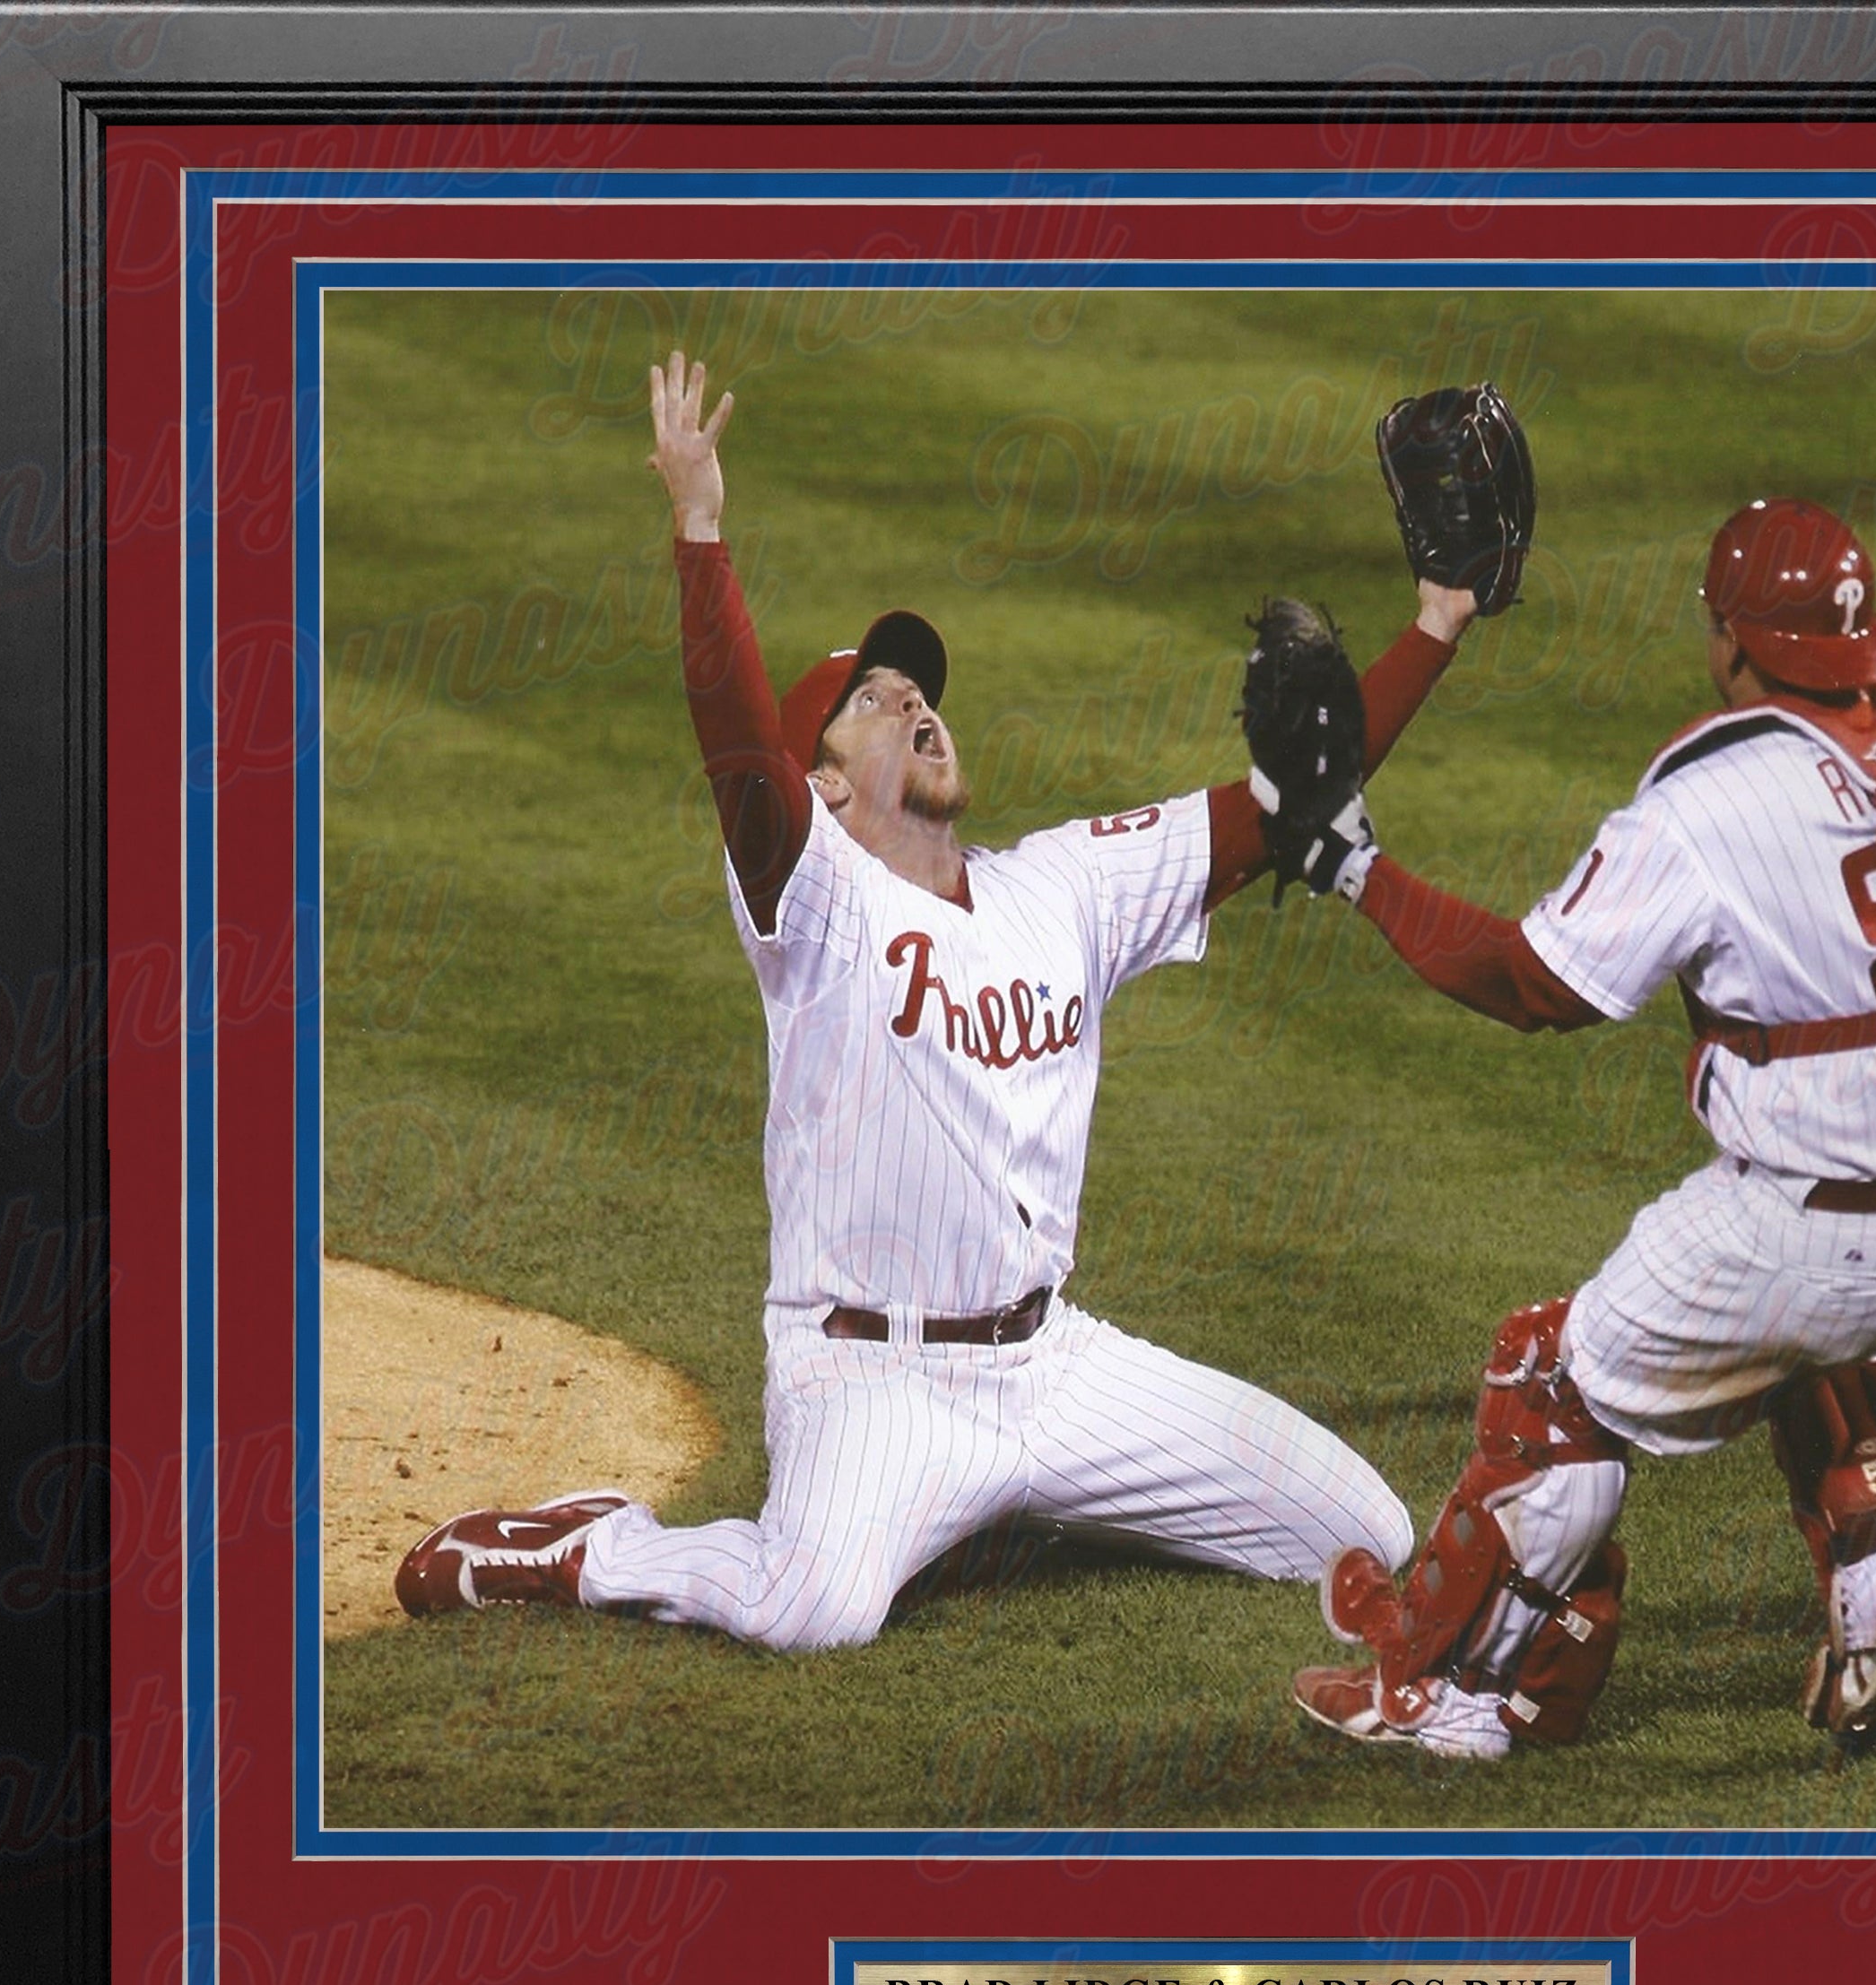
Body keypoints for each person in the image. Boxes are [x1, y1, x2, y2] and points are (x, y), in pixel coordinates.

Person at [393, 350, 1480, 1651]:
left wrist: (1436, 621)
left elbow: (1283, 802)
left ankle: (1011, 1497)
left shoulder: (1067, 884)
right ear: (826, 786)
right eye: (866, 698)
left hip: (1051, 1365)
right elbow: (737, 745)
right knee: (815, 1610)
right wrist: (700, 530)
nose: (909, 696)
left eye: (915, 687)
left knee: (1360, 1532)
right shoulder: (816, 904)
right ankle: (594, 1546)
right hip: (867, 1376)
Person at [1278, 496, 1876, 1760]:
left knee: (1550, 1376)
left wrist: (1355, 867)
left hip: (1810, 1229)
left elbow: (1533, 985)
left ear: (1735, 643)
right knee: (1804, 1328)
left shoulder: (1705, 799)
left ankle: (1448, 1690)